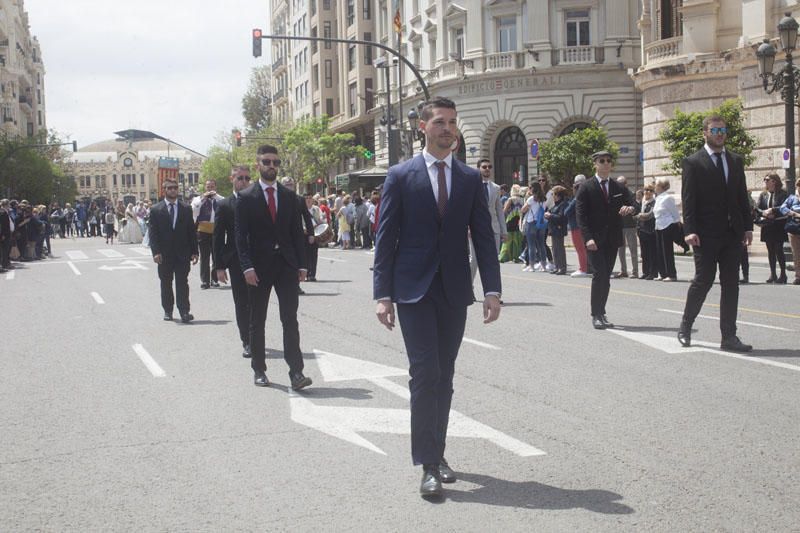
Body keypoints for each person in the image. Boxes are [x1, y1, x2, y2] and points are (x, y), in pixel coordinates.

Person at [373, 97, 501, 499]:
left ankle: (439, 453)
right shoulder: (400, 175)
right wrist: (383, 295)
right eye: (440, 122)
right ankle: (427, 465)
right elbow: (385, 238)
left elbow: (483, 236)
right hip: (412, 290)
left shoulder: (468, 180)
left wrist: (492, 290)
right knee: (425, 373)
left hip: (454, 291)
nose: (448, 128)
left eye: (452, 122)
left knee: (444, 376)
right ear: (423, 127)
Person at [235, 145, 312, 390]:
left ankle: (296, 372)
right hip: (258, 268)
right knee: (257, 319)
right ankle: (259, 368)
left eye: (276, 162)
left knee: (290, 319)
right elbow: (240, 237)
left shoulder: (290, 198)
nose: (272, 166)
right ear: (258, 164)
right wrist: (246, 267)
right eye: (267, 162)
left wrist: (302, 265)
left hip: (286, 266)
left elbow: (296, 235)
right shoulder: (247, 197)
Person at [678, 115, 754, 352]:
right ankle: (685, 327)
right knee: (703, 281)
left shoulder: (735, 160)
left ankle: (729, 337)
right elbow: (688, 200)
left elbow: (742, 195)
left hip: (732, 234)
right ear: (705, 133)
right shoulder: (693, 162)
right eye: (714, 130)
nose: (719, 133)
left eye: (722, 129)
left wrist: (748, 227)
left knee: (732, 284)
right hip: (705, 234)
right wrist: (689, 230)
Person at [575, 150, 637, 330]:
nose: (606, 163)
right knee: (599, 274)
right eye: (602, 161)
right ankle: (596, 314)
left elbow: (634, 202)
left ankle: (602, 312)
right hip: (594, 239)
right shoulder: (586, 187)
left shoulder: (618, 187)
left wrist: (630, 208)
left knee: (606, 277)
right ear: (595, 164)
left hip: (612, 238)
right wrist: (588, 238)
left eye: (609, 161)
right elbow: (581, 216)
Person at [213, 166, 253, 358]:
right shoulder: (224, 205)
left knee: (257, 302)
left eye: (247, 178)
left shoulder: (257, 201)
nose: (243, 181)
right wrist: (219, 266)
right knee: (242, 301)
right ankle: (247, 340)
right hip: (236, 259)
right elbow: (218, 238)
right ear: (232, 179)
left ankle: (256, 337)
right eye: (240, 178)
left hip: (258, 258)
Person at [148, 178, 199, 323]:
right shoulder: (156, 210)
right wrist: (156, 252)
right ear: (164, 190)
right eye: (169, 188)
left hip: (183, 254)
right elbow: (153, 233)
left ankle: (184, 311)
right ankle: (168, 310)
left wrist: (195, 251)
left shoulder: (185, 208)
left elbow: (191, 231)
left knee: (182, 283)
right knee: (166, 282)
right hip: (164, 255)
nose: (173, 190)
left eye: (175, 187)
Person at [469, 158, 507, 282]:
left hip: (493, 228)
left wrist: (504, 231)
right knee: (474, 260)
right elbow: (467, 209)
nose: (487, 169)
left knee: (493, 261)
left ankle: (494, 293)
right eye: (484, 167)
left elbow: (499, 211)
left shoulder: (496, 188)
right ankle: (469, 288)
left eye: (489, 167)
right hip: (475, 229)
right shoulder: (472, 186)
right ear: (478, 169)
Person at [755, 172, 789, 283]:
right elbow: (757, 208)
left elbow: (785, 206)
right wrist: (764, 213)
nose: (765, 181)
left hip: (778, 225)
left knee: (779, 249)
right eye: (765, 180)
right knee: (770, 250)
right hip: (767, 225)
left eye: (767, 179)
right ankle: (773, 274)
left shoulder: (783, 194)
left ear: (774, 181)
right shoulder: (763, 194)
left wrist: (773, 210)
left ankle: (783, 274)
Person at [191, 179, 224, 289]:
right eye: (208, 187)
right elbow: (193, 210)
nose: (210, 189)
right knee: (204, 257)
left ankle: (214, 279)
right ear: (205, 188)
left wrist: (216, 196)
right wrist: (203, 198)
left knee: (216, 256)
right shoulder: (198, 199)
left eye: (212, 187)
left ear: (215, 187)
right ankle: (205, 281)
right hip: (203, 230)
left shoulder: (219, 199)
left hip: (216, 230)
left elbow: (225, 204)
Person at [653, 178, 680, 281]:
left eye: (656, 185)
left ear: (661, 186)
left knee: (667, 251)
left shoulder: (667, 198)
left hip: (667, 225)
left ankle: (671, 274)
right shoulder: (658, 198)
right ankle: (663, 273)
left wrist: (677, 222)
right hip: (659, 225)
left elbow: (675, 212)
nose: (654, 186)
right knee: (659, 250)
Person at [614, 176, 639, 278]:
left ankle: (635, 271)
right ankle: (623, 270)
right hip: (619, 225)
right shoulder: (616, 195)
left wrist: (630, 209)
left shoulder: (631, 194)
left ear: (626, 184)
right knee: (621, 250)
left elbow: (636, 207)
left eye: (622, 184)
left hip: (630, 225)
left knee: (633, 249)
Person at [566, 175, 591, 277]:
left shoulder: (578, 198)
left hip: (577, 226)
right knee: (584, 249)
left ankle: (583, 269)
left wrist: (575, 195)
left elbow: (567, 211)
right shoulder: (588, 195)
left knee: (580, 248)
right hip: (584, 225)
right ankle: (587, 267)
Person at [521, 183, 548, 272]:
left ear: (533, 189)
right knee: (541, 244)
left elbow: (523, 210)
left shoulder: (531, 199)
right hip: (541, 222)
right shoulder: (544, 199)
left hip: (531, 222)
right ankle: (543, 265)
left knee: (531, 245)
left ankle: (531, 265)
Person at [779, 178, 800, 285]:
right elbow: (782, 208)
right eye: (799, 185)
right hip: (794, 229)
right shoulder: (792, 198)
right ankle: (798, 276)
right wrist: (793, 214)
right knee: (796, 254)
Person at [635, 184, 657, 279]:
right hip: (642, 230)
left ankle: (653, 273)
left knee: (652, 253)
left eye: (650, 190)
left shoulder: (654, 202)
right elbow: (636, 215)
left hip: (650, 230)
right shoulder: (643, 202)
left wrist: (640, 215)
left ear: (653, 192)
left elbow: (650, 215)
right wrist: (638, 216)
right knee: (644, 253)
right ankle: (645, 272)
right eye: (646, 190)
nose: (647, 192)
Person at [545, 185, 569, 274]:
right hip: (554, 229)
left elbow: (561, 217)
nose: (552, 196)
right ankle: (557, 266)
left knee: (559, 249)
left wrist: (550, 216)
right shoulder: (556, 204)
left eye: (553, 194)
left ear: (558, 195)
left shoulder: (563, 204)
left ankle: (562, 268)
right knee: (554, 249)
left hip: (559, 229)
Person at [498, 184, 523, 263]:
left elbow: (504, 210)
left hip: (510, 219)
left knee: (507, 239)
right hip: (518, 220)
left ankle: (504, 256)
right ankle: (516, 256)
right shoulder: (522, 199)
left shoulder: (511, 199)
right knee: (516, 239)